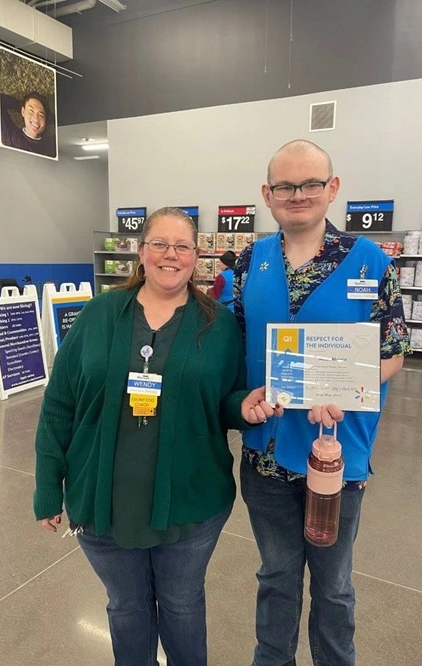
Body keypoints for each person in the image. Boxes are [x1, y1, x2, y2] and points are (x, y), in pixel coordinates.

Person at [33, 207, 278, 666]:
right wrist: (48, 486)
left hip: (191, 501)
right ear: (141, 253)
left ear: (195, 256)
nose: (171, 255)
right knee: (126, 608)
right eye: (160, 244)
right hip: (101, 498)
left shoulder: (218, 324)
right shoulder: (99, 314)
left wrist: (244, 409)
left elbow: (226, 399)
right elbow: (59, 403)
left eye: (182, 246)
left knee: (183, 605)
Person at [234, 140, 411, 666]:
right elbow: (230, 342)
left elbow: (394, 352)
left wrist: (337, 386)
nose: (298, 194)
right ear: (267, 195)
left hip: (334, 456)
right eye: (285, 186)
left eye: (311, 183)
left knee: (333, 586)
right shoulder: (250, 261)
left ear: (332, 189)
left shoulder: (371, 261)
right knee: (276, 576)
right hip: (265, 455)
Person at [0, 91, 56, 158]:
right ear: (23, 111)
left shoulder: (52, 145)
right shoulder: (12, 138)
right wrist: (18, 105)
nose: (36, 119)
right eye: (31, 111)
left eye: (41, 115)